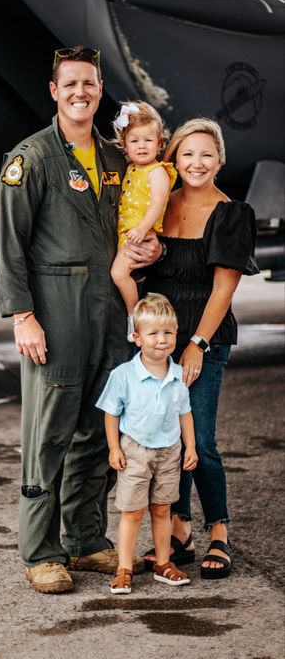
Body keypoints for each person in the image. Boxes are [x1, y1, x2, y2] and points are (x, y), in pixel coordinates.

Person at [0, 46, 162, 594]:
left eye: (89, 84)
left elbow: (132, 224)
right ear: (54, 90)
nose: (80, 93)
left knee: (97, 428)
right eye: (70, 85)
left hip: (108, 310)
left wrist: (149, 250)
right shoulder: (33, 157)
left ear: (98, 89)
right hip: (56, 308)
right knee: (50, 433)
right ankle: (42, 552)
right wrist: (23, 316)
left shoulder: (116, 161)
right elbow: (7, 243)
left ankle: (86, 540)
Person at [137, 118, 259, 579]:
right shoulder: (159, 205)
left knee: (199, 441)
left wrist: (197, 346)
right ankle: (181, 530)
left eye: (207, 154)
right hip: (159, 344)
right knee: (168, 443)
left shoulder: (232, 214)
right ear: (174, 159)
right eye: (187, 154)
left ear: (220, 160)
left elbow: (223, 291)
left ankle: (220, 531)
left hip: (203, 340)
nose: (196, 163)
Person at [97, 293, 198, 594]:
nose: (162, 340)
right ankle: (124, 568)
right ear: (137, 338)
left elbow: (185, 414)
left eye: (168, 332)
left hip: (169, 451)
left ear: (176, 335)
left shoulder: (178, 376)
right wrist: (114, 448)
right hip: (135, 451)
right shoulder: (124, 375)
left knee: (162, 509)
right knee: (133, 512)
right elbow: (111, 414)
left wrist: (190, 447)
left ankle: (163, 564)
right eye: (153, 333)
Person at [110, 102, 177, 342]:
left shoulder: (157, 171)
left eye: (148, 140)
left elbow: (158, 202)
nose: (141, 146)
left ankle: (134, 316)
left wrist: (142, 228)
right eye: (135, 141)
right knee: (124, 273)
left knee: (118, 274)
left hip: (139, 234)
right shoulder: (131, 169)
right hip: (127, 233)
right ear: (125, 145)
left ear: (159, 144)